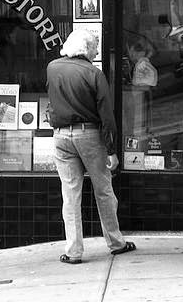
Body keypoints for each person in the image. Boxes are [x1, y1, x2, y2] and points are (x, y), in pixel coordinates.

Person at [46, 28, 136, 264]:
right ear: (86, 49)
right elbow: (107, 116)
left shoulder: (52, 68)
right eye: (95, 47)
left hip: (60, 136)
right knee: (103, 190)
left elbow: (52, 100)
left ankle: (73, 251)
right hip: (89, 135)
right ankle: (116, 242)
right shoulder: (94, 73)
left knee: (70, 194)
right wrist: (111, 150)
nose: (97, 52)